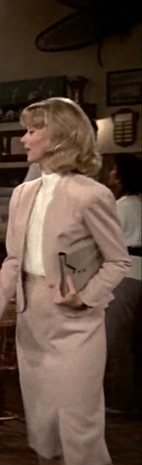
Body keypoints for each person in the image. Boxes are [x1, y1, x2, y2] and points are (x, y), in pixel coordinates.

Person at [0, 98, 130, 465]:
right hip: (33, 329)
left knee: (83, 440)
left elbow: (118, 261)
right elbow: (13, 260)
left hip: (75, 332)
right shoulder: (24, 193)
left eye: (33, 130)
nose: (24, 138)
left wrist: (86, 298)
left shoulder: (91, 194)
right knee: (46, 436)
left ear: (61, 136)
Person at [101, 153, 142, 414]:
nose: (109, 175)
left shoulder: (119, 207)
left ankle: (120, 399)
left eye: (113, 170)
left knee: (116, 341)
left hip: (124, 274)